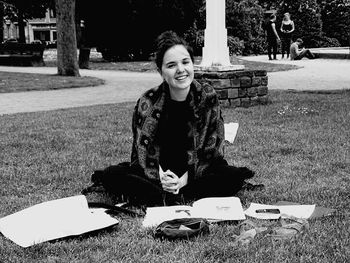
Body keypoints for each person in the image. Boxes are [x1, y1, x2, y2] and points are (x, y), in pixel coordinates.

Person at [82, 31, 258, 207]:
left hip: (196, 172)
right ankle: (168, 194)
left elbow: (212, 150)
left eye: (185, 62)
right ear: (161, 71)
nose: (180, 70)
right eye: (171, 65)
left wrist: (183, 181)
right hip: (156, 173)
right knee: (113, 175)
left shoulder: (208, 96)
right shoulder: (148, 101)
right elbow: (141, 152)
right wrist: (161, 178)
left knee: (232, 177)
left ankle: (169, 195)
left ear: (192, 64)